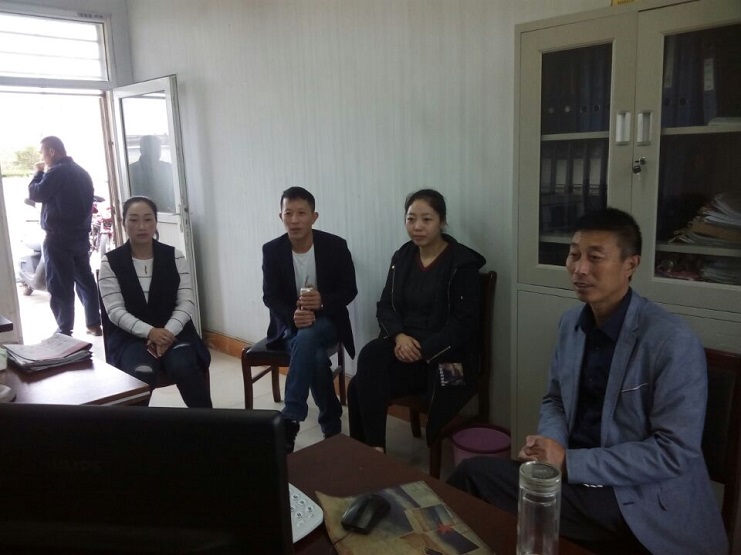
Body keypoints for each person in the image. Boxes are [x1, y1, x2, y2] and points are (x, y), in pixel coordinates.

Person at [448, 208, 727, 554]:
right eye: (574, 254)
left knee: (475, 480)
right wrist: (550, 447)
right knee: (482, 487)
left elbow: (673, 452)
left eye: (595, 258)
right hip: (576, 476)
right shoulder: (571, 324)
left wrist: (568, 462)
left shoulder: (671, 341)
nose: (579, 268)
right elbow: (556, 399)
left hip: (635, 495)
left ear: (630, 265)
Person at [348, 189, 485, 453]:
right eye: (411, 219)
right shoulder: (403, 257)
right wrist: (399, 337)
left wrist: (423, 350)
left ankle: (370, 454)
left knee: (358, 385)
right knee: (368, 360)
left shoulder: (462, 263)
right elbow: (385, 305)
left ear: (442, 221)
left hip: (449, 363)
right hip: (404, 349)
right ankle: (373, 452)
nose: (417, 226)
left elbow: (464, 325)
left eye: (427, 219)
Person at [262, 187, 357, 453]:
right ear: (280, 216)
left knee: (309, 335)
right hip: (291, 325)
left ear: (314, 217)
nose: (294, 220)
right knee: (314, 356)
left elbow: (349, 290)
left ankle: (291, 416)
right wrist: (292, 316)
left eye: (301, 213)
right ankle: (331, 424)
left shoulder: (335, 246)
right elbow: (271, 297)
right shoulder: (272, 250)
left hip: (328, 322)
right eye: (288, 213)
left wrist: (322, 301)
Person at [98, 196, 212, 408]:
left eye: (148, 219)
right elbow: (114, 310)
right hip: (130, 338)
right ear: (123, 223)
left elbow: (186, 302)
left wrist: (166, 333)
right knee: (142, 371)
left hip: (175, 333)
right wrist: (150, 332)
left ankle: (209, 425)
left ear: (155, 222)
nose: (142, 226)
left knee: (184, 366)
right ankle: (138, 428)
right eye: (134, 220)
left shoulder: (174, 256)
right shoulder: (110, 262)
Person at [27, 136, 102, 337]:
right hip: (80, 236)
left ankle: (64, 329)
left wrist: (38, 173)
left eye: (43, 152)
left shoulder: (56, 172)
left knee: (60, 284)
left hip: (58, 237)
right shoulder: (82, 172)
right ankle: (94, 323)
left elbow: (35, 194)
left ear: (52, 152)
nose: (42, 157)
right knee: (85, 280)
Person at [128, 135, 176, 213]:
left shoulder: (168, 168)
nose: (155, 152)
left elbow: (174, 193)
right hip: (140, 213)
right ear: (141, 150)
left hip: (166, 213)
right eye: (151, 148)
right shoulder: (130, 171)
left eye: (157, 148)